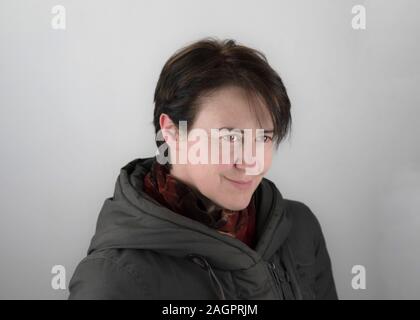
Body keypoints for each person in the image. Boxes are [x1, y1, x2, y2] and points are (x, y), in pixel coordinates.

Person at [68, 37, 338, 300]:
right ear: (172, 132)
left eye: (264, 137)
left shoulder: (298, 228)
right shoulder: (112, 278)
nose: (251, 161)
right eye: (230, 138)